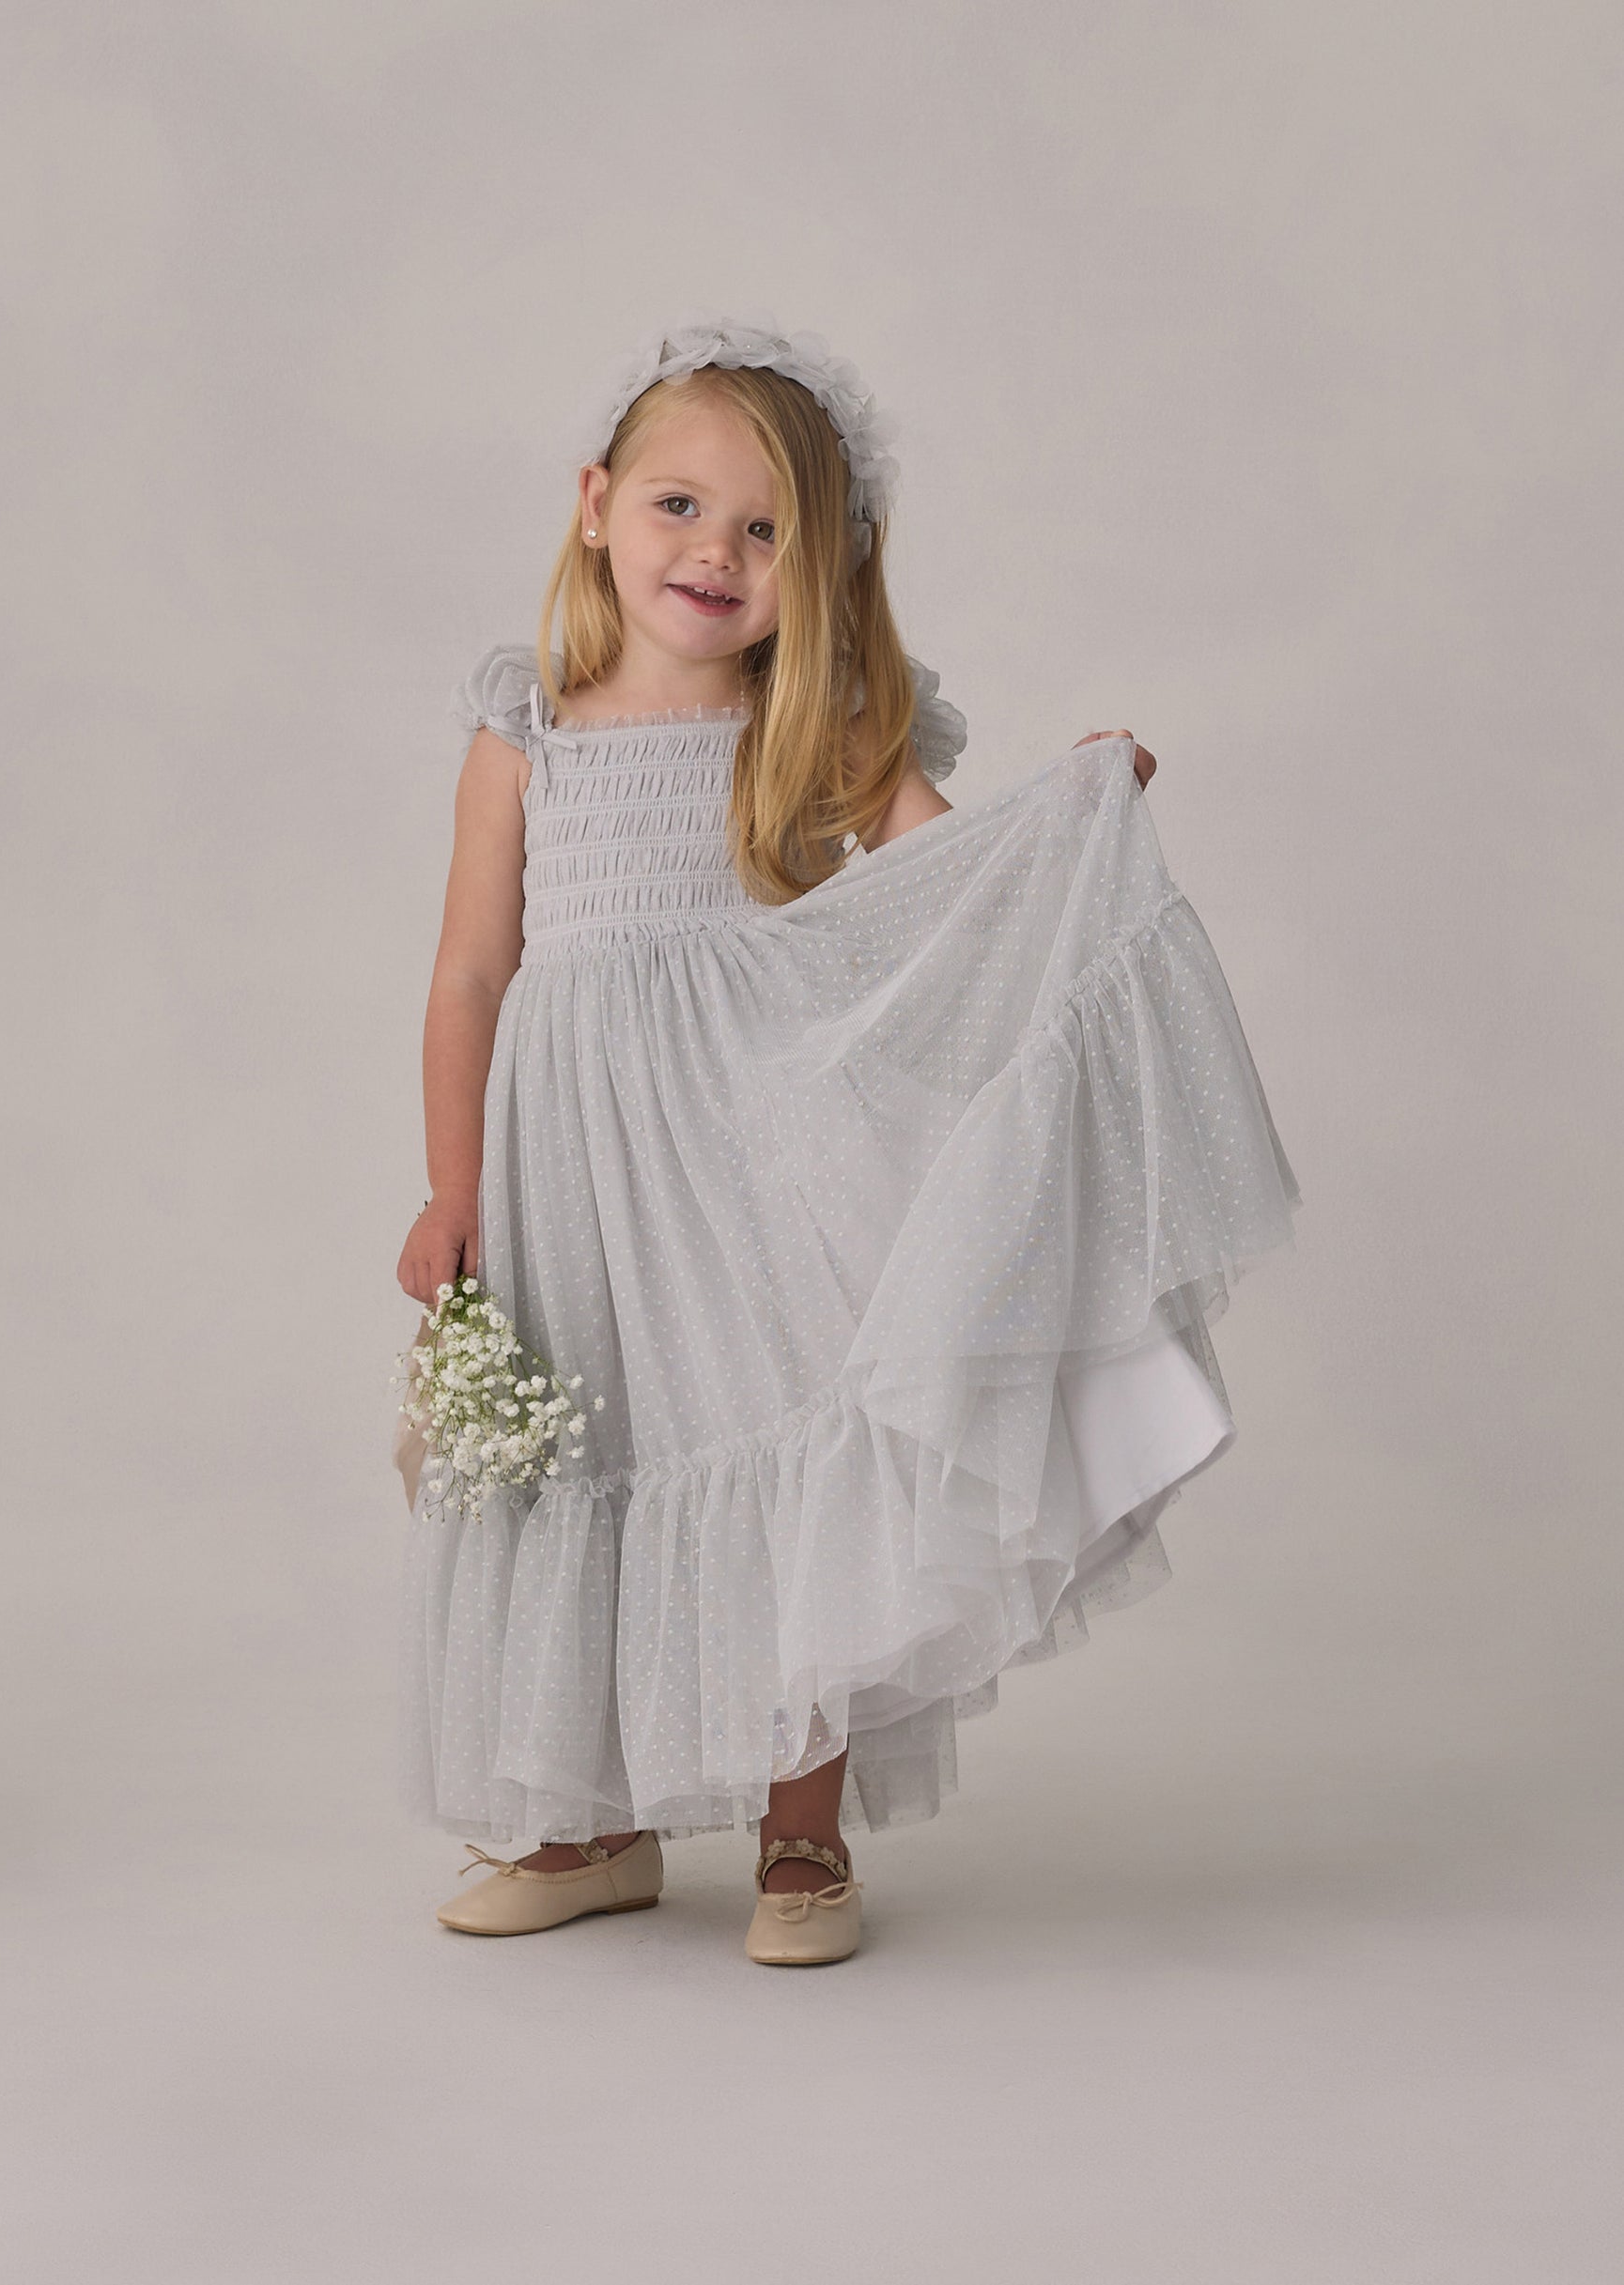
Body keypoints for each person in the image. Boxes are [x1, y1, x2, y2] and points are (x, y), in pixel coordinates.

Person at [394, 312, 1302, 1966]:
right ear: (594, 505)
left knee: (778, 1445)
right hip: (567, 1181)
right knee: (579, 1466)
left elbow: (959, 896)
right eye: (679, 507)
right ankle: (586, 1826)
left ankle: (799, 1832)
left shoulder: (812, 724)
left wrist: (1071, 812)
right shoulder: (524, 732)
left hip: (753, 1164)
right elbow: (468, 971)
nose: (715, 553)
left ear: (818, 566)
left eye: (763, 531)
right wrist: (453, 1191)